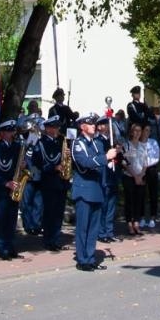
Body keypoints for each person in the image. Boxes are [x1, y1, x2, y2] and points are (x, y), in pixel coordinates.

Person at [70, 113, 117, 270]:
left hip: (96, 189)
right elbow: (84, 164)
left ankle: (90, 258)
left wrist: (109, 162)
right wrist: (105, 158)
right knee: (83, 227)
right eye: (90, 124)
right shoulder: (78, 143)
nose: (94, 126)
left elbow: (99, 162)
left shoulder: (96, 144)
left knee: (93, 228)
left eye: (94, 124)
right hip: (84, 190)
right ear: (82, 126)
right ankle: (83, 260)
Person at [29, 117, 68, 251]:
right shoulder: (41, 143)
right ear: (47, 129)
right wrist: (53, 168)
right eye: (54, 127)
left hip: (62, 182)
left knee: (58, 212)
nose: (57, 129)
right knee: (49, 212)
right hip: (48, 182)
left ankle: (56, 239)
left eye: (57, 127)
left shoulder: (61, 141)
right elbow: (36, 164)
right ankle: (48, 240)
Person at [0, 117, 23, 260]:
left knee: (12, 218)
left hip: (14, 186)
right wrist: (5, 183)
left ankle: (11, 246)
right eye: (8, 131)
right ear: (1, 133)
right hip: (1, 188)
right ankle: (2, 248)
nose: (11, 134)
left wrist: (23, 167)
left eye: (12, 131)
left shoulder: (17, 146)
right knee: (2, 219)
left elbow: (17, 164)